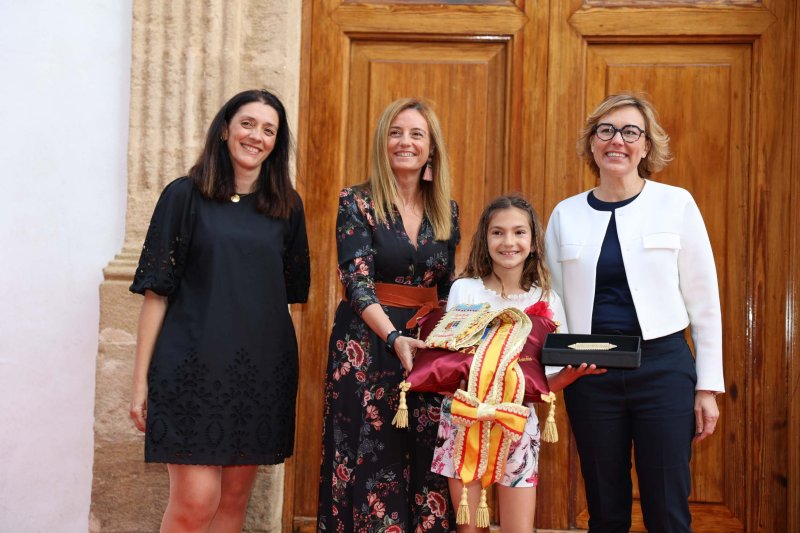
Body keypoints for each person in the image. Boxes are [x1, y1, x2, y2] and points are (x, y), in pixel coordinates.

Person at [128, 89, 310, 532]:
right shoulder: (184, 196)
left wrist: (286, 381)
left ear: (277, 142)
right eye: (248, 123)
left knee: (231, 505)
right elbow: (157, 292)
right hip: (190, 370)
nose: (256, 136)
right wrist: (139, 383)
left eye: (269, 130)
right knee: (195, 504)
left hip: (258, 374)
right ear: (226, 127)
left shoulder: (286, 207)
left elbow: (291, 297)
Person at [544, 92, 724, 533]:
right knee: (605, 506)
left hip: (663, 369)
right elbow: (551, 304)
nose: (616, 141)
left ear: (646, 145)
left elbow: (704, 301)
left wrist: (708, 388)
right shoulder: (565, 214)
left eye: (630, 132)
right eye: (605, 131)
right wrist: (553, 376)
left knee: (667, 505)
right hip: (590, 373)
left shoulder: (676, 204)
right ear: (592, 144)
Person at [317, 98, 460, 532]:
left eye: (417, 134)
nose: (405, 142)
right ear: (383, 142)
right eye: (396, 132)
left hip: (427, 349)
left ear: (431, 148)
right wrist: (396, 338)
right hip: (368, 345)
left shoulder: (447, 209)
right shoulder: (355, 201)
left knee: (428, 462)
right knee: (371, 459)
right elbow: (356, 283)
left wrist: (460, 344)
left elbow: (450, 286)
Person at [430, 195, 603, 533]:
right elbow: (449, 363)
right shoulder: (464, 291)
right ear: (485, 239)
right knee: (469, 529)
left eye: (518, 232)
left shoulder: (546, 299)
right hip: (465, 421)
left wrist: (571, 376)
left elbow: (545, 379)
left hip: (517, 423)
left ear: (533, 242)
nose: (508, 242)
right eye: (498, 232)